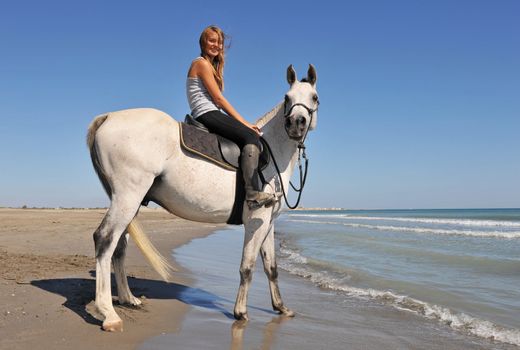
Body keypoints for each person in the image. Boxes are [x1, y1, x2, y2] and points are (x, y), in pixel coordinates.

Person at [186, 25, 273, 207]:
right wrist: (245, 124)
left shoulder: (211, 66)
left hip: (207, 111)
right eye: (212, 40)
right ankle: (252, 192)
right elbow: (218, 99)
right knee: (251, 136)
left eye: (219, 42)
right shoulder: (201, 63)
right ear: (203, 43)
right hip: (206, 112)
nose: (216, 45)